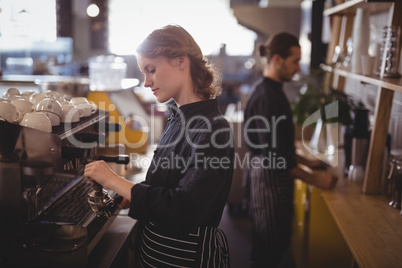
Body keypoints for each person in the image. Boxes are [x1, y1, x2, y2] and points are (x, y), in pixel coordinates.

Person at [84, 25, 234, 267]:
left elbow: (187, 206)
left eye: (151, 70)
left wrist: (114, 180)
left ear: (180, 61)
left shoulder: (214, 128)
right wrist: (129, 195)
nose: (146, 82)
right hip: (157, 254)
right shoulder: (178, 117)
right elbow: (168, 185)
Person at [243, 32, 338, 268]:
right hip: (268, 182)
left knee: (276, 246)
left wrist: (307, 161)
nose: (298, 67)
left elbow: (279, 147)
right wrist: (314, 178)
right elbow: (274, 156)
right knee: (268, 255)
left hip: (271, 180)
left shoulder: (272, 90)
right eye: (295, 61)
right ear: (277, 59)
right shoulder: (268, 97)